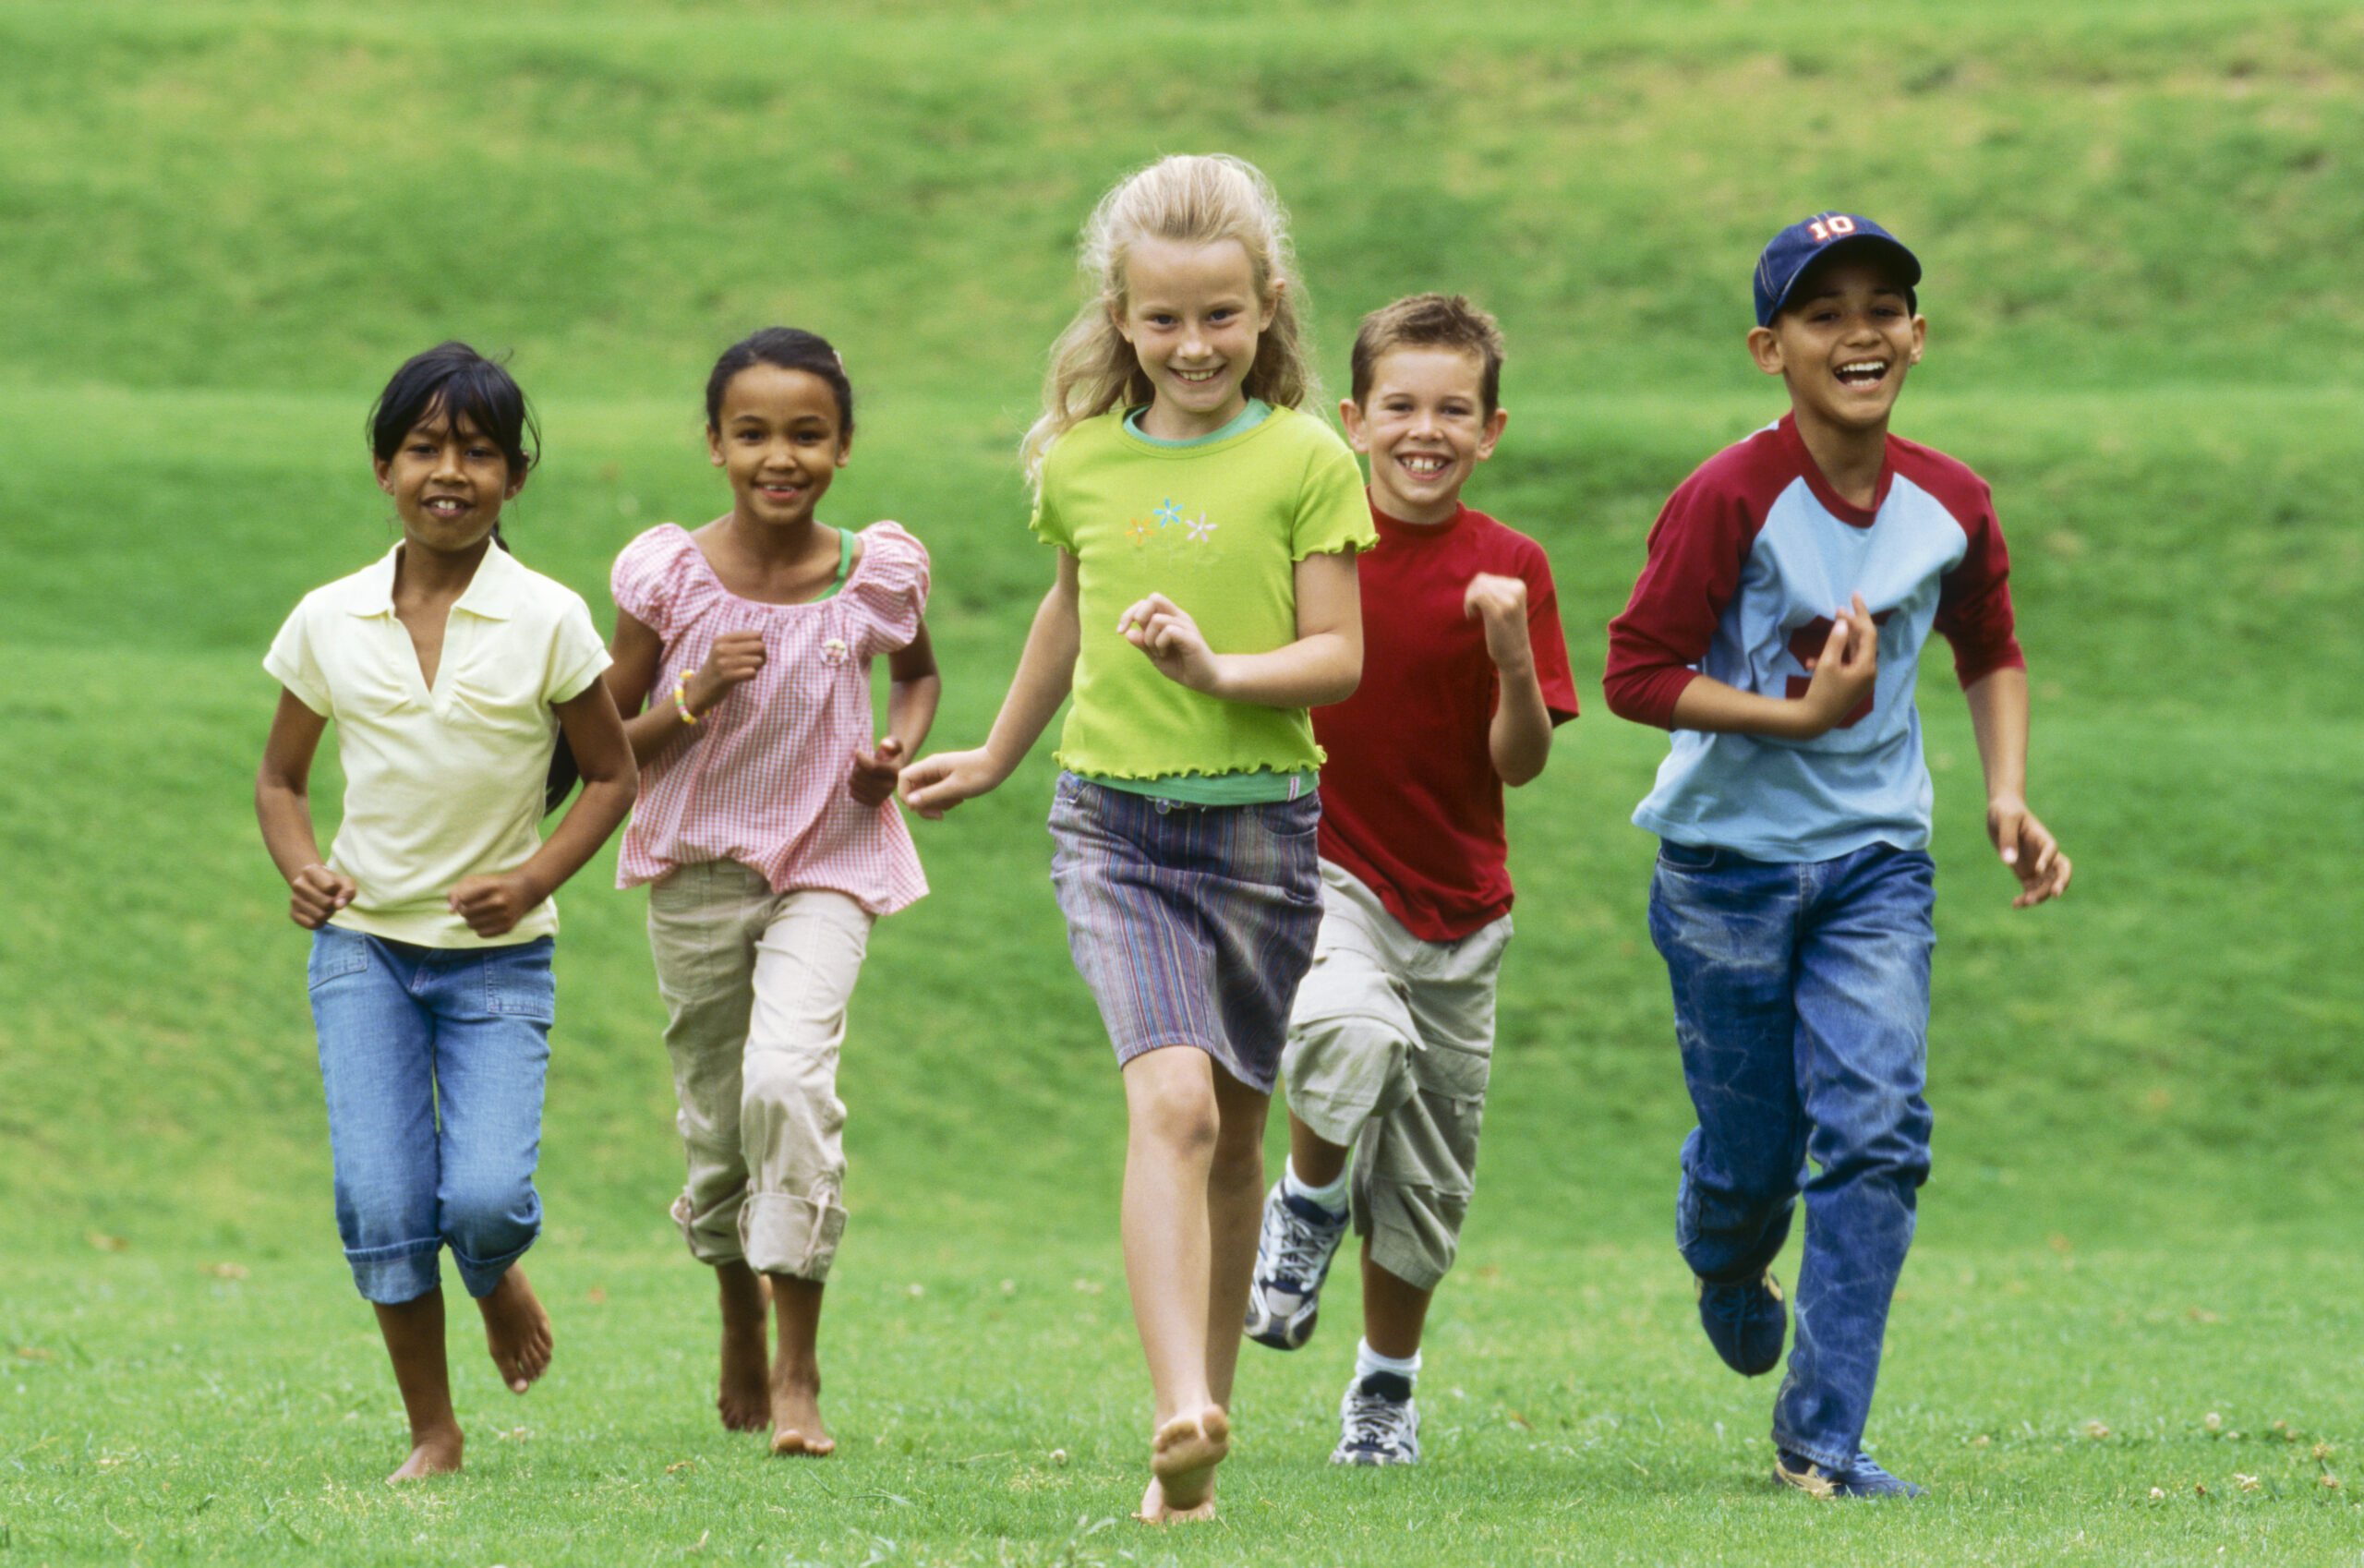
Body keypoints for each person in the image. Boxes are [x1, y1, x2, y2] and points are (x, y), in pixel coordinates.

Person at [898, 153, 1371, 1523]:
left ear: (1266, 305)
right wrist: (995, 751)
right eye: (1162, 320)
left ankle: (1199, 1447)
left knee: (1233, 1138)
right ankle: (1174, 1404)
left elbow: (1337, 655)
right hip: (1116, 826)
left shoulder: (1305, 455)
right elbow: (1069, 609)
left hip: (1264, 837)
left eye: (1220, 315)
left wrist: (1221, 672)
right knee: (1167, 1102)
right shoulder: (1082, 460)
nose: (1194, 344)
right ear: (1120, 316)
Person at [1603, 213, 2073, 1500]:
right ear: (1771, 348)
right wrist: (1797, 718)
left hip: (1876, 862)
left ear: (1917, 335)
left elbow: (1992, 649)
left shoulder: (1952, 502)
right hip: (1723, 871)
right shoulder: (1727, 497)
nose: (1858, 332)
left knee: (1875, 1130)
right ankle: (1722, 1246)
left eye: (1884, 307)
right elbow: (1635, 674)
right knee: (1753, 1155)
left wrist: (2007, 794)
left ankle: (1821, 1439)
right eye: (1823, 313)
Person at [255, 343, 637, 1483]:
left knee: (481, 1198)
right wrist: (303, 866)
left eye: (477, 451)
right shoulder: (328, 618)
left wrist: (532, 879)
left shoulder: (552, 618)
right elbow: (280, 781)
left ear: (514, 477)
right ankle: (434, 1430)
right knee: (381, 1198)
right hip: (363, 949)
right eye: (425, 446)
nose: (449, 471)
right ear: (384, 467)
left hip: (497, 961)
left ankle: (490, 1261)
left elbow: (612, 775)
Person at [1242, 294, 1579, 1466]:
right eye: (1399, 406)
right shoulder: (1314, 542)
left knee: (1429, 1186)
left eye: (1453, 409)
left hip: (1463, 908)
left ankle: (1382, 1393)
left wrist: (1508, 660)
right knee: (1345, 1033)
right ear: (1353, 419)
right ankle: (1306, 1204)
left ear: (1491, 430)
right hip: (1326, 871)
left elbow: (1521, 764)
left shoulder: (1510, 569)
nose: (1423, 430)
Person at [603, 327, 938, 1458]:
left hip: (831, 860)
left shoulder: (877, 569)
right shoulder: (666, 575)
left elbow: (919, 674)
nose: (778, 456)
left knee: (788, 1081)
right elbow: (609, 745)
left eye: (806, 434)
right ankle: (734, 1308)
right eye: (752, 434)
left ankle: (798, 1367)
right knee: (716, 1120)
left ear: (843, 446)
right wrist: (692, 693)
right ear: (714, 444)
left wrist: (892, 748)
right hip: (698, 866)